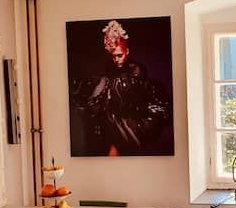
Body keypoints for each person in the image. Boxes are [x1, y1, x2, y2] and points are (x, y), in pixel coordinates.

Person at [70, 20, 171, 156]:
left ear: (127, 52)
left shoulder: (136, 70)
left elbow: (131, 98)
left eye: (120, 55)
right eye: (113, 56)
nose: (116, 60)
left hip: (131, 118)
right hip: (110, 120)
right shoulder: (108, 69)